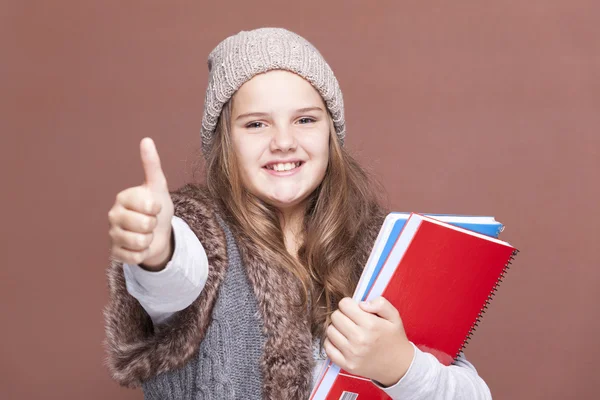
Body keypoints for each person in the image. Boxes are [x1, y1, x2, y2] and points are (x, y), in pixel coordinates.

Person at [104, 27, 492, 399]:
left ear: (330, 132)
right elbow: (176, 278)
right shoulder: (198, 234)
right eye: (256, 124)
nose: (284, 142)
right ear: (226, 143)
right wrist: (157, 252)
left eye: (305, 119)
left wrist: (400, 366)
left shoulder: (378, 245)